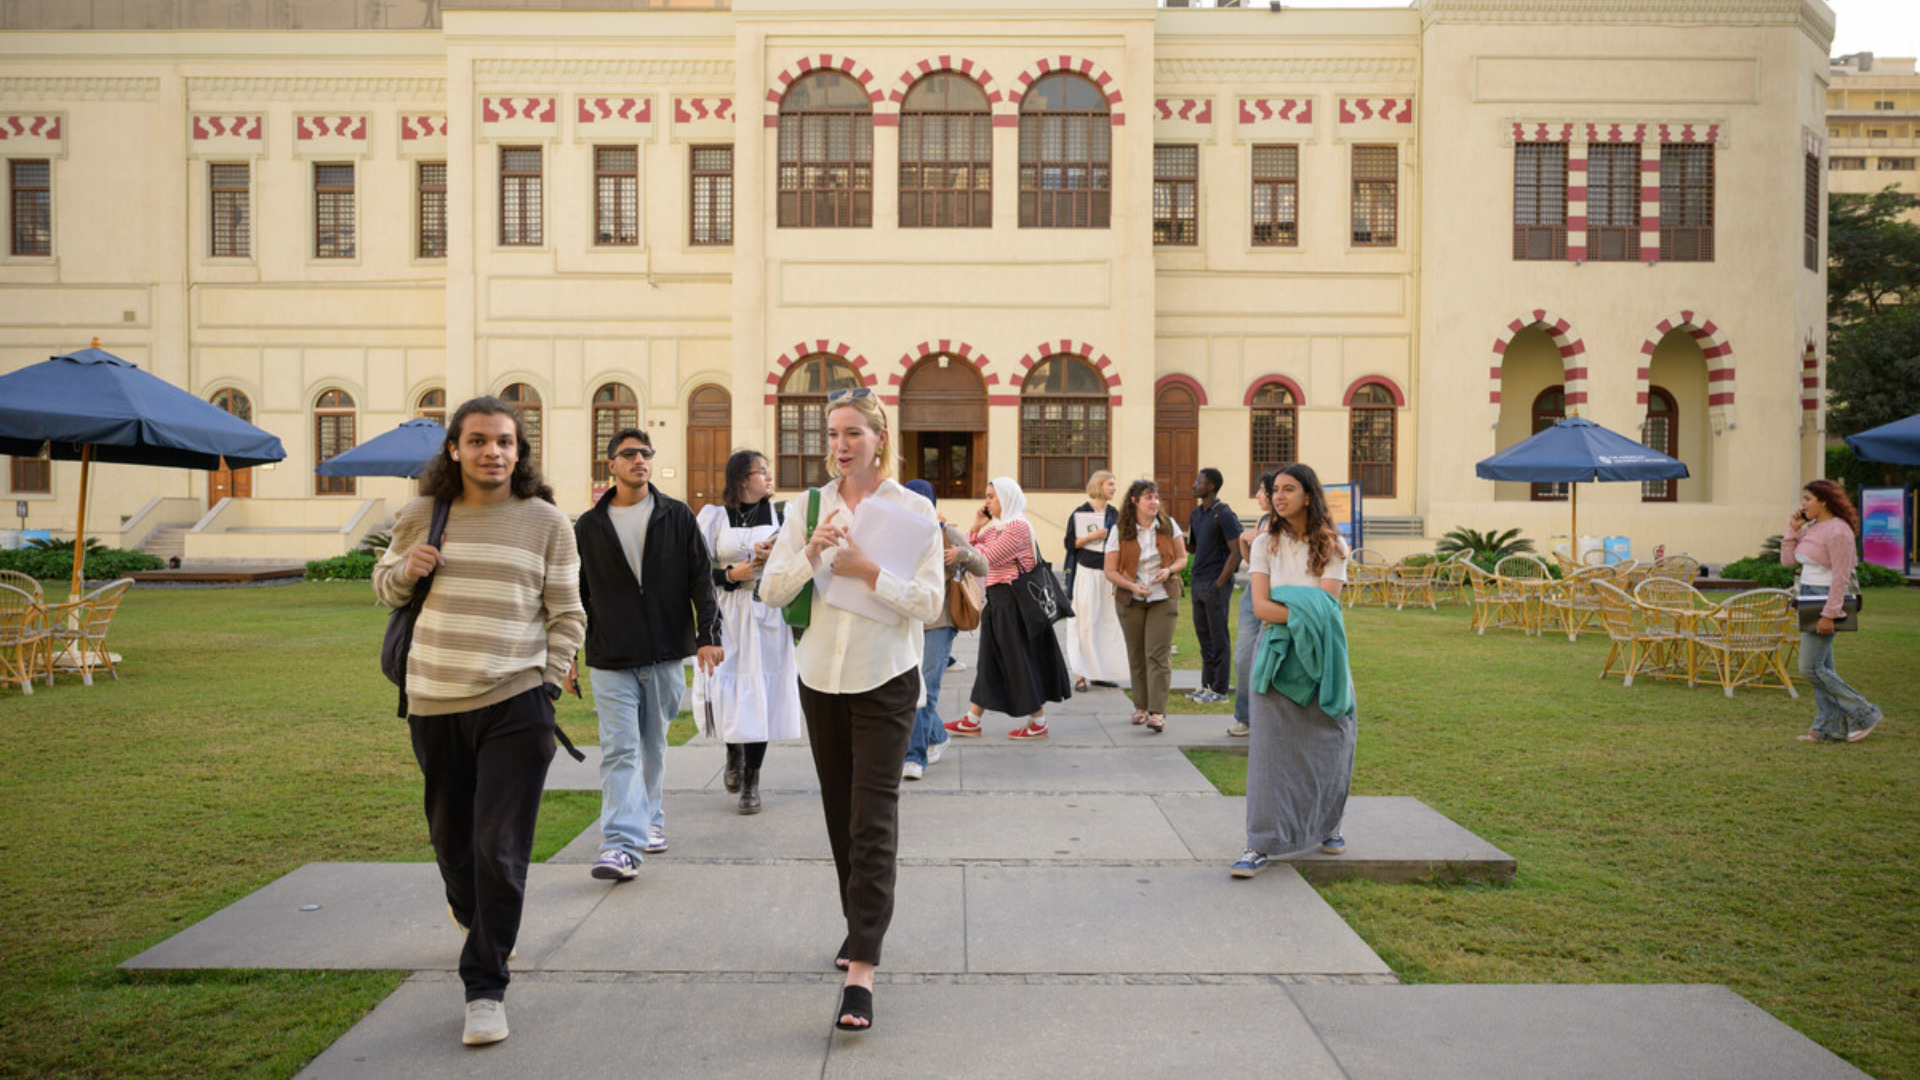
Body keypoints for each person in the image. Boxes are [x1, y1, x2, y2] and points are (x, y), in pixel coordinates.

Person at [372, 395, 586, 1047]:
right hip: (434, 703)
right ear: (454, 449)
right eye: (479, 440)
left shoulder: (547, 521)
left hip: (516, 704)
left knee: (499, 847)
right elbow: (382, 587)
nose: (492, 451)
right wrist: (407, 568)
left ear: (519, 453)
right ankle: (471, 911)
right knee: (452, 842)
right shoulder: (421, 515)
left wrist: (545, 688)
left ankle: (485, 989)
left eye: (504, 442)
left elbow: (568, 614)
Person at [758, 387, 945, 1033]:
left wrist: (869, 570)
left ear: (879, 437)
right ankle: (858, 922)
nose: (840, 446)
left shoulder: (913, 510)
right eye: (833, 434)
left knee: (872, 817)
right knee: (841, 815)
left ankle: (862, 965)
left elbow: (929, 604)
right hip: (821, 680)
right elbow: (771, 590)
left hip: (884, 679)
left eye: (853, 434)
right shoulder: (806, 508)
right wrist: (812, 550)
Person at [574, 428, 723, 882]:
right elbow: (574, 595)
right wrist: (565, 657)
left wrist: (708, 636)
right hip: (610, 655)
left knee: (652, 745)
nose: (640, 459)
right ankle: (620, 843)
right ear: (611, 465)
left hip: (663, 653)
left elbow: (702, 579)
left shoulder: (677, 515)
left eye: (645, 453)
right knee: (619, 749)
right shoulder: (588, 525)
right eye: (629, 454)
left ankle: (651, 819)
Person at [1232, 464, 1354, 879]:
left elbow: (1328, 609)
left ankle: (1328, 826)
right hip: (1277, 654)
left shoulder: (1335, 546)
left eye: (1289, 489)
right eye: (1275, 490)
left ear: (1308, 495)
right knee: (1269, 753)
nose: (1279, 496)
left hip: (1323, 654)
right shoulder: (1265, 543)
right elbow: (1263, 608)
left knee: (1330, 740)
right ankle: (1258, 844)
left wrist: (1292, 603)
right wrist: (1304, 603)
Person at [695, 450, 804, 812]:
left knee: (762, 694)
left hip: (767, 614)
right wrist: (729, 575)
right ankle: (733, 753)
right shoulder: (712, 518)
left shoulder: (783, 517)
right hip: (727, 613)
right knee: (728, 689)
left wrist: (772, 558)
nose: (770, 477)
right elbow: (692, 575)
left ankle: (752, 782)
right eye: (762, 472)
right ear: (742, 479)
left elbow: (798, 564)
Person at [945, 477, 1074, 741]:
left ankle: (1038, 721)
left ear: (1007, 497)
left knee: (1017, 661)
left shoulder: (1017, 527)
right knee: (989, 662)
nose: (987, 501)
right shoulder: (997, 528)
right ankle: (972, 720)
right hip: (998, 602)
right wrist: (976, 526)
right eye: (986, 496)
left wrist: (964, 551)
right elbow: (975, 550)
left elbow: (983, 559)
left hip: (1015, 604)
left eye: (992, 496)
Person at [1781, 479, 1881, 743]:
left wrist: (1829, 613)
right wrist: (1793, 530)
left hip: (1826, 601)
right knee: (1823, 666)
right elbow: (1788, 561)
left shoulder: (1838, 531)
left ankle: (1866, 713)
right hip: (1808, 597)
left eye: (1807, 499)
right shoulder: (1813, 528)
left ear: (1823, 501)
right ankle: (1830, 727)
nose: (1802, 505)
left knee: (1810, 668)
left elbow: (1841, 575)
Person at [902, 478, 986, 780]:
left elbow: (983, 567)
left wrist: (960, 555)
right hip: (907, 620)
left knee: (927, 687)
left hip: (940, 622)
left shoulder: (947, 534)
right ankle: (937, 735)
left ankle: (915, 757)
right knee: (910, 689)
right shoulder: (898, 534)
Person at [1103, 479, 1188, 733]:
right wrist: (1132, 586)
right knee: (1136, 653)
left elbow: (1183, 558)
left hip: (1163, 597)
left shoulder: (1168, 525)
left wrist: (1169, 570)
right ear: (1134, 501)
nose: (1155, 502)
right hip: (1131, 599)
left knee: (1157, 654)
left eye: (1156, 497)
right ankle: (1141, 706)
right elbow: (1109, 570)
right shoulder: (1119, 530)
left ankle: (1157, 712)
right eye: (1148, 498)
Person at [1062, 470, 1128, 693]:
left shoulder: (1114, 513)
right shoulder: (1080, 513)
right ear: (1099, 486)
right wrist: (1092, 537)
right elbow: (1070, 543)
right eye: (1111, 484)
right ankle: (1081, 674)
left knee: (1107, 623)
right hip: (1087, 573)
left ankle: (1101, 673)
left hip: (1108, 575)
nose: (1114, 488)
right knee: (1085, 623)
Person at [1229, 471, 1278, 738]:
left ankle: (1270, 719)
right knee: (1244, 656)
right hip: (1253, 592)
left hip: (1277, 592)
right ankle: (1244, 717)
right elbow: (1251, 562)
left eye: (1261, 490)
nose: (1258, 495)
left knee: (1273, 655)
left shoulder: (1286, 523)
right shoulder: (1262, 519)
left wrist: (1258, 537)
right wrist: (1244, 541)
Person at [1187, 467, 1242, 704]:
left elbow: (1237, 551)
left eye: (1198, 481)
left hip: (1215, 584)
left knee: (1219, 637)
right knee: (1204, 636)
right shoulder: (1196, 514)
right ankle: (1206, 685)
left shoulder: (1225, 514)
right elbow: (1194, 548)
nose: (1193, 485)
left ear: (1210, 487)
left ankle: (1220, 690)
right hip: (1199, 583)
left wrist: (1219, 583)